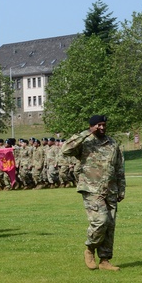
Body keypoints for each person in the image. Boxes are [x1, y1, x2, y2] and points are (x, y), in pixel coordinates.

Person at [60, 115, 126, 271]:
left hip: (110, 190)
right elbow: (65, 149)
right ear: (92, 126)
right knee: (100, 221)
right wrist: (86, 133)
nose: (102, 128)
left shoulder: (112, 144)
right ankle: (89, 249)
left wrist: (121, 189)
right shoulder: (85, 142)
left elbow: (119, 168)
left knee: (109, 226)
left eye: (104, 125)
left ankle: (104, 260)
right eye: (98, 125)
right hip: (91, 189)